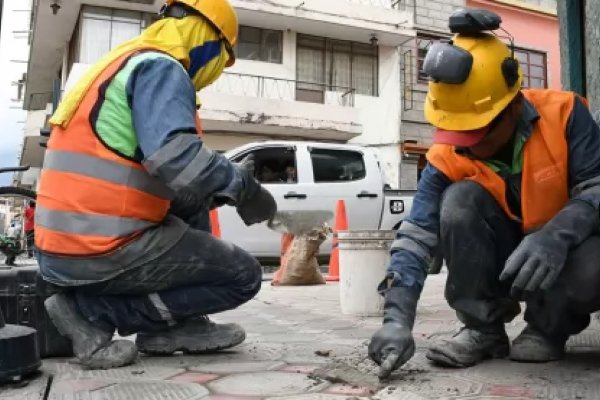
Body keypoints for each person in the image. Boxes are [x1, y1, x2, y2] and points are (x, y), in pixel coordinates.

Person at [35, 0, 276, 369]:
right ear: (207, 39)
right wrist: (243, 186)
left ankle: (179, 327)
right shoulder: (161, 68)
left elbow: (164, 179)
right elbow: (175, 157)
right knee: (243, 276)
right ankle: (92, 314)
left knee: (194, 204)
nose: (214, 72)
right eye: (221, 60)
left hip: (65, 244)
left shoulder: (119, 63)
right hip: (100, 248)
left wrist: (218, 189)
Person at [368, 15, 600, 377]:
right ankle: (483, 329)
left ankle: (547, 328)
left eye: (475, 133)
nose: (467, 148)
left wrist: (558, 235)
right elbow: (415, 238)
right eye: (455, 132)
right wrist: (397, 319)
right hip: (505, 256)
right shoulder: (447, 155)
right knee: (459, 201)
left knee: (593, 265)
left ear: (513, 106)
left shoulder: (566, 114)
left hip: (564, 257)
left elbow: (596, 187)